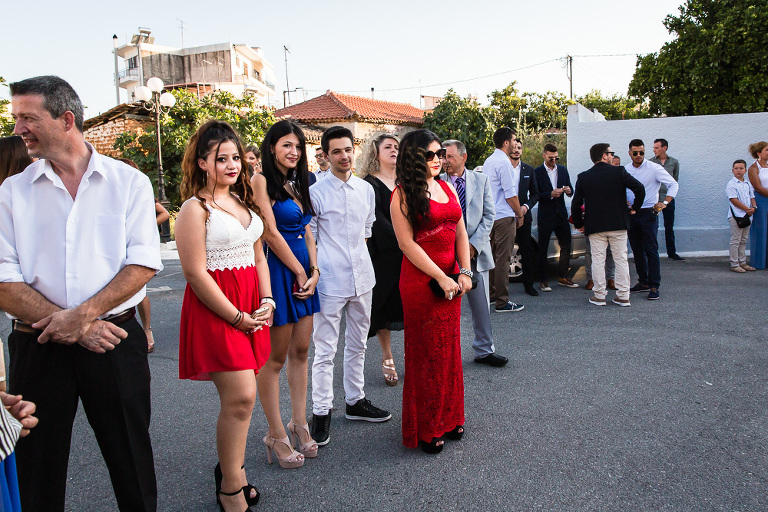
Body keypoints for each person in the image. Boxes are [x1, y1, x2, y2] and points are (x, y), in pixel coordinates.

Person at [0, 75, 162, 511]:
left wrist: (82, 316)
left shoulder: (129, 183)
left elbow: (143, 263)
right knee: (36, 471)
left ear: (66, 119)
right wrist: (77, 326)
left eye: (28, 118)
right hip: (38, 346)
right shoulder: (11, 193)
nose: (18, 129)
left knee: (132, 465)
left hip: (115, 343)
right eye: (17, 118)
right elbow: (3, 282)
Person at [175, 120, 271, 511]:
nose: (232, 165)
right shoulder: (193, 209)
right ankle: (230, 488)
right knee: (242, 398)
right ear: (201, 163)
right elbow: (195, 273)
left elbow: (258, 254)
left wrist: (267, 300)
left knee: (243, 401)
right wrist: (235, 316)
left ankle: (234, 471)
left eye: (235, 157)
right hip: (218, 310)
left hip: (252, 306)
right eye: (221, 159)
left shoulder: (241, 200)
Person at [309, 126, 391, 445]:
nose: (344, 156)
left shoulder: (365, 190)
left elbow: (367, 230)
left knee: (359, 343)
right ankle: (321, 411)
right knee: (325, 348)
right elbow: (311, 237)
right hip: (329, 279)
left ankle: (355, 401)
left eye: (348, 149)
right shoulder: (316, 192)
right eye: (337, 152)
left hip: (363, 277)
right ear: (326, 156)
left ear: (354, 151)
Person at [391, 129, 470, 454]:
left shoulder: (447, 187)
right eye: (430, 155)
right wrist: (440, 276)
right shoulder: (402, 194)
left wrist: (464, 271)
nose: (437, 160)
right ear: (413, 157)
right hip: (422, 283)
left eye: (439, 154)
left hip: (451, 282)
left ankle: (450, 418)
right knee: (426, 356)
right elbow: (406, 244)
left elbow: (460, 233)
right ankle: (426, 428)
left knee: (449, 352)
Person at [251, 120, 320, 464]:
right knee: (274, 358)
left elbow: (308, 231)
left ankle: (299, 422)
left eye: (298, 146)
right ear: (272, 147)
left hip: (304, 271)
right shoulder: (260, 180)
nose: (293, 152)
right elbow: (270, 232)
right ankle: (275, 434)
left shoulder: (300, 181)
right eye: (286, 145)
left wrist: (315, 271)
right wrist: (297, 271)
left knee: (302, 350)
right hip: (280, 271)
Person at [441, 139, 508, 367]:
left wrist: (472, 245)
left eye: (450, 156)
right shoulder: (436, 183)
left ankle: (484, 350)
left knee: (481, 306)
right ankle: (445, 354)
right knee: (446, 308)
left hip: (475, 254)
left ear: (464, 157)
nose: (445, 161)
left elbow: (490, 215)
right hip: (445, 255)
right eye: (443, 156)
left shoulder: (481, 180)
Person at [571, 143, 645, 307]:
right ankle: (624, 295)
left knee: (598, 261)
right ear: (604, 155)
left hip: (595, 226)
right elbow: (640, 188)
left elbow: (576, 204)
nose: (612, 156)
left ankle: (599, 295)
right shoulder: (619, 172)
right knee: (621, 260)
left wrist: (579, 223)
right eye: (611, 153)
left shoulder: (584, 177)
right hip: (619, 224)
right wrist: (634, 208)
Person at [359, 133, 404, 386]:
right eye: (388, 147)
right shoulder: (368, 184)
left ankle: (414, 357)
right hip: (385, 255)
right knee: (384, 308)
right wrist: (405, 239)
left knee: (410, 307)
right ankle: (387, 357)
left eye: (396, 147)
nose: (394, 150)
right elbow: (375, 220)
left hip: (411, 254)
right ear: (375, 153)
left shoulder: (406, 181)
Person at [117, 158, 170, 353]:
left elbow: (164, 213)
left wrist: (148, 224)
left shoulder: (142, 192)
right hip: (118, 246)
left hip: (136, 246)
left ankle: (147, 329)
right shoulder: (111, 193)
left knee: (139, 288)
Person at [625, 139, 679, 300]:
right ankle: (643, 282)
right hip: (631, 213)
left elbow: (673, 184)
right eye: (635, 152)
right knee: (636, 249)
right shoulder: (625, 170)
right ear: (630, 153)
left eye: (642, 152)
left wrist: (665, 202)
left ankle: (654, 285)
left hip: (649, 213)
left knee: (650, 249)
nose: (639, 155)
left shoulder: (654, 168)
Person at [483, 127, 524, 312]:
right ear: (506, 142)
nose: (515, 144)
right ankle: (502, 301)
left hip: (491, 216)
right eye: (514, 140)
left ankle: (492, 296)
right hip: (504, 217)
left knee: (492, 258)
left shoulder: (489, 161)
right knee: (503, 260)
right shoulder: (504, 162)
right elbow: (510, 194)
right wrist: (520, 213)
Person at [534, 143, 577, 290]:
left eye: (555, 158)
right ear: (544, 155)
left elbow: (571, 190)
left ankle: (563, 277)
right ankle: (543, 279)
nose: (553, 160)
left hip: (560, 214)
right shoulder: (537, 172)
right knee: (543, 247)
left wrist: (569, 190)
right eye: (551, 158)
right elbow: (536, 195)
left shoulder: (563, 170)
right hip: (546, 215)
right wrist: (550, 194)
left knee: (566, 245)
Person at [510, 139, 540, 296]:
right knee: (501, 252)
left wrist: (525, 206)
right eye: (514, 147)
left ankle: (529, 285)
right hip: (505, 217)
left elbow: (535, 194)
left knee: (526, 251)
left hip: (523, 217)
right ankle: (498, 290)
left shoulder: (529, 169)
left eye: (519, 148)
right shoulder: (503, 168)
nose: (516, 150)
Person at [650, 139, 684, 260]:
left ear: (664, 148)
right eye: (654, 148)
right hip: (654, 200)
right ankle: (653, 253)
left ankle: (672, 253)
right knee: (652, 227)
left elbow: (674, 180)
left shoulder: (674, 162)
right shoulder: (650, 163)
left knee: (669, 227)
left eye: (657, 148)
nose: (654, 150)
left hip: (668, 200)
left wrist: (669, 198)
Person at [727, 159, 757, 272]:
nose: (739, 171)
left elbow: (752, 197)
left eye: (741, 168)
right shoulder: (731, 184)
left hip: (748, 216)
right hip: (737, 216)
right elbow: (733, 200)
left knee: (743, 240)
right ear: (732, 170)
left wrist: (753, 208)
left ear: (745, 170)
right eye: (736, 168)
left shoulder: (748, 183)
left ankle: (742, 262)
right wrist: (746, 209)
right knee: (735, 240)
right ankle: (734, 264)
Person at [747, 141, 768, 269]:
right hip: (761, 200)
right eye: (767, 150)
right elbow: (758, 188)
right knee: (761, 229)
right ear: (759, 153)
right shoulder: (753, 168)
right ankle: (759, 262)